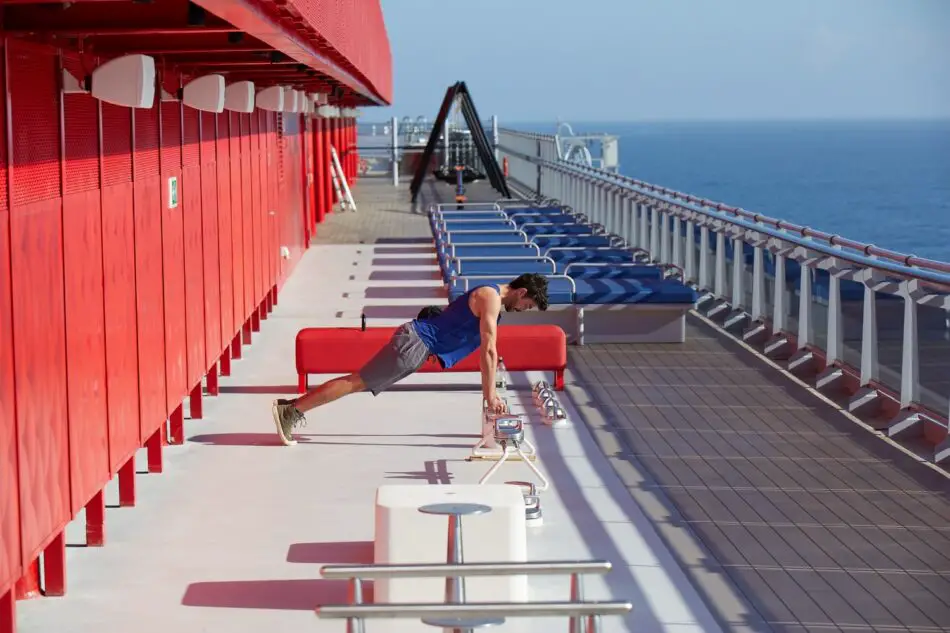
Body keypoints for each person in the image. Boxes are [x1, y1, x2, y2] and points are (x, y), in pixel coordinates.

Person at [271, 273, 549, 445]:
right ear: (521, 292)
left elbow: (456, 323)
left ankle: (292, 407)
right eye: (527, 305)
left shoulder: (492, 299)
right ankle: (292, 411)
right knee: (356, 382)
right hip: (415, 343)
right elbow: (489, 349)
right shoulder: (491, 298)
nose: (524, 310)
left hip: (418, 346)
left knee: (357, 382)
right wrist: (490, 397)